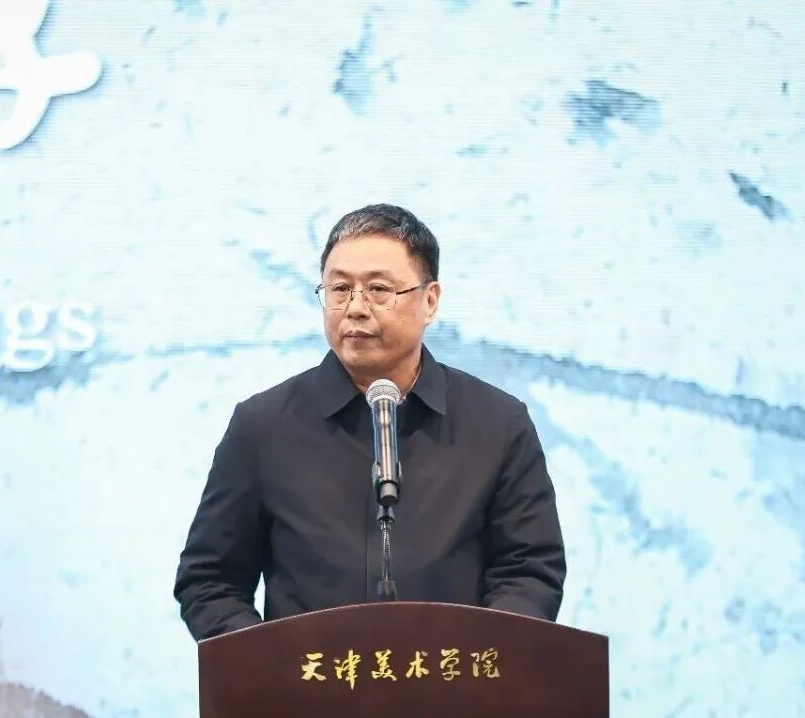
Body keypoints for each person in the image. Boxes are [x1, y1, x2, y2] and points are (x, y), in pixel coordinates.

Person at [174, 204, 566, 641]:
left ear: (430, 300)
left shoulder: (498, 424)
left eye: (379, 290)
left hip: (451, 677)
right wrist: (269, 662)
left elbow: (529, 571)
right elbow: (210, 581)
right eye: (339, 289)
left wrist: (477, 661)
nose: (355, 308)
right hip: (307, 680)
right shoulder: (262, 427)